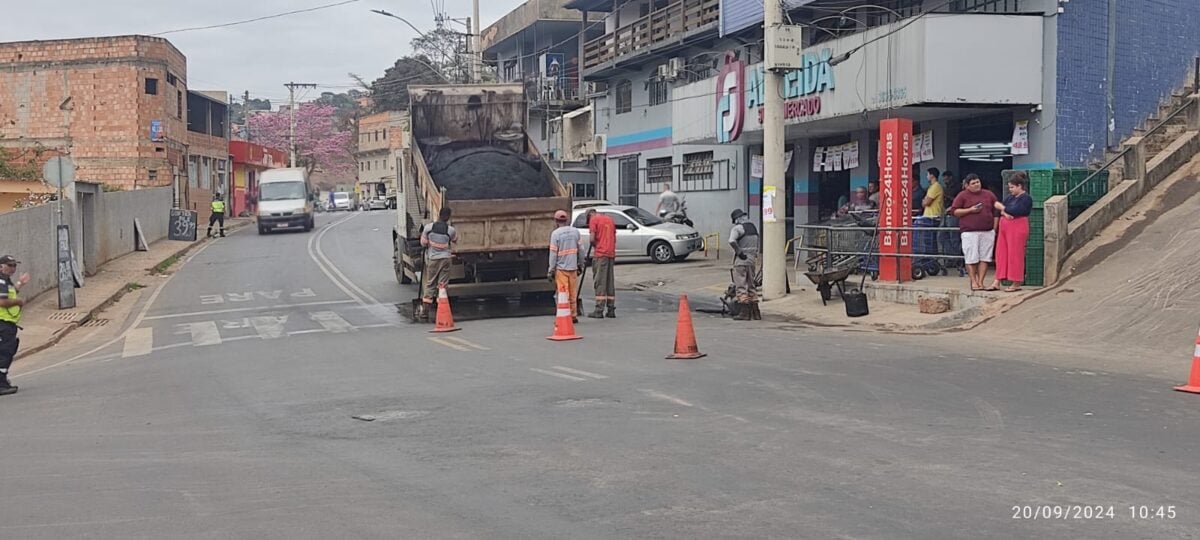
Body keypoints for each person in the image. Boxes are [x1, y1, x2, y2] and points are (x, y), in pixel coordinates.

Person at [948, 174, 1000, 291]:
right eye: (973, 183)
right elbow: (954, 211)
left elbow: (996, 210)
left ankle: (981, 282)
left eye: (978, 182)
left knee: (985, 257)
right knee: (971, 257)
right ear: (967, 186)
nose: (977, 184)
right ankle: (974, 282)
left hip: (987, 231)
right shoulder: (962, 196)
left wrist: (994, 228)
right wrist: (970, 210)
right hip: (969, 232)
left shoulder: (989, 194)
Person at [988, 172, 1033, 292]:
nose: (1010, 190)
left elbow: (1016, 210)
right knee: (1001, 253)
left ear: (1019, 186)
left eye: (1012, 187)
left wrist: (1004, 209)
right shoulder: (1009, 198)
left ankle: (1016, 281)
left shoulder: (1026, 198)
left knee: (1015, 254)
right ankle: (997, 280)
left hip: (1018, 227)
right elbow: (1004, 209)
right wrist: (1005, 211)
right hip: (1005, 226)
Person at [419, 207, 458, 321]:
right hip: (445, 259)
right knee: (442, 285)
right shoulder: (450, 230)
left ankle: (425, 311)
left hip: (433, 260)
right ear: (448, 217)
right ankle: (441, 309)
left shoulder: (428, 228)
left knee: (430, 284)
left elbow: (423, 243)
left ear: (438, 215)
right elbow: (455, 240)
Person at [0, 255, 30, 396]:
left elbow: (10, 294)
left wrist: (20, 284)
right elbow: (3, 302)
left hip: (7, 324)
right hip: (2, 324)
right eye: (9, 265)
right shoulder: (1, 281)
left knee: (7, 351)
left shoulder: (6, 281)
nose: (13, 268)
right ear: (1, 266)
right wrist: (19, 302)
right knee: (5, 353)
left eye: (14, 265)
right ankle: (1, 384)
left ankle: (3, 381)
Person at [548, 209, 584, 322]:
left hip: (561, 269)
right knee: (573, 293)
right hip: (573, 268)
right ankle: (573, 315)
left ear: (556, 221)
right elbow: (581, 250)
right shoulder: (575, 232)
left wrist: (551, 269)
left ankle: (563, 316)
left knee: (562, 294)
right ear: (567, 220)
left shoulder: (555, 234)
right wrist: (580, 264)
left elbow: (553, 254)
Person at [728, 208, 761, 321]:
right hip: (752, 260)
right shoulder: (753, 228)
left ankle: (744, 313)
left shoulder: (738, 228)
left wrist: (739, 252)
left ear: (736, 219)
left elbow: (731, 241)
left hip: (741, 261)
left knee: (741, 285)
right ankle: (756, 312)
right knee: (751, 285)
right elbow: (758, 244)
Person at [585, 209, 617, 319]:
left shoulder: (594, 220)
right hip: (610, 253)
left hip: (600, 254)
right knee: (609, 281)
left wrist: (594, 245)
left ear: (589, 216)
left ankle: (599, 310)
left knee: (600, 282)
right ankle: (611, 309)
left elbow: (592, 238)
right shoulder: (609, 219)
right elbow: (614, 237)